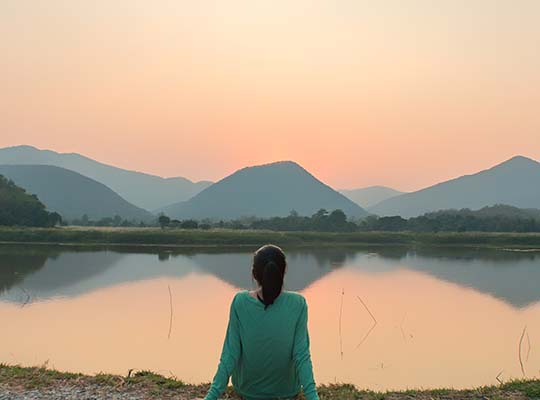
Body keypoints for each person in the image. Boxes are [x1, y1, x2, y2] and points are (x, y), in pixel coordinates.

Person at [203, 244, 319, 400]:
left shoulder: (240, 302)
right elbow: (301, 355)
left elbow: (230, 354)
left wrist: (210, 397)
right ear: (283, 271)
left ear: (254, 274)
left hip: (247, 392)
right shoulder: (298, 303)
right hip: (287, 393)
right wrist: (313, 398)